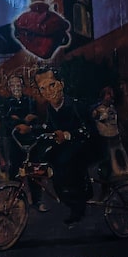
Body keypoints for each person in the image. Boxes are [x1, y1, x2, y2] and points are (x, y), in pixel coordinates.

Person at [33, 65, 93, 224]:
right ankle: (66, 198)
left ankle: (79, 203)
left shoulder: (75, 105)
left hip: (83, 146)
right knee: (48, 161)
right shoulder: (50, 108)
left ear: (62, 84)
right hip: (63, 148)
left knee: (68, 166)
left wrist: (67, 135)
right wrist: (31, 128)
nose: (48, 91)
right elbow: (48, 126)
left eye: (52, 84)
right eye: (43, 88)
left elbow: (87, 130)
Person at [0, 74, 46, 211]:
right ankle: (15, 199)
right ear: (9, 88)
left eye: (18, 85)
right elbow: (7, 122)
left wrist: (26, 125)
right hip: (15, 142)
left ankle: (37, 200)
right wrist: (21, 123)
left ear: (23, 86)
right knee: (15, 170)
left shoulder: (30, 101)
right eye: (13, 85)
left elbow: (35, 120)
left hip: (31, 141)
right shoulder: (6, 104)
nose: (16, 88)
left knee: (34, 170)